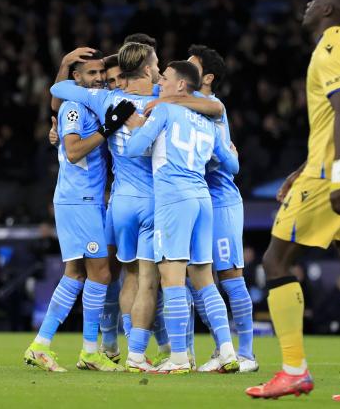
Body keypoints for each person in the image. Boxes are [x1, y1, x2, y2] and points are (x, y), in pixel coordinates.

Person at [245, 0, 340, 401]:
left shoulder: (328, 50)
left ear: (328, 10)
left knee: (275, 261)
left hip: (338, 174)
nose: (307, 6)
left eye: (313, 0)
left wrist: (336, 174)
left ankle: (293, 370)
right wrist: (301, 169)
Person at [50, 43, 225, 372]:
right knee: (149, 280)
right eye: (156, 64)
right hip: (155, 201)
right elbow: (215, 107)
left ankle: (121, 348)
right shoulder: (162, 99)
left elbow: (58, 89)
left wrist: (68, 66)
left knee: (124, 278)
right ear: (146, 69)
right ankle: (147, 352)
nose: (160, 70)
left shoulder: (106, 99)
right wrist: (170, 98)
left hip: (119, 202)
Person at [125, 60, 240, 374]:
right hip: (202, 198)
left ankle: (178, 357)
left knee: (171, 278)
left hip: (174, 198)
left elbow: (134, 148)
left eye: (165, 78)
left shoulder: (164, 111)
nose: (160, 82)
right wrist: (234, 153)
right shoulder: (206, 118)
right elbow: (232, 165)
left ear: (180, 85)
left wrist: (137, 126)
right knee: (204, 279)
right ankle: (228, 351)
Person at [24, 50, 132, 372]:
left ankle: (41, 344)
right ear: (77, 78)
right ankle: (88, 351)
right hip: (80, 200)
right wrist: (107, 131)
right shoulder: (76, 107)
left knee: (75, 273)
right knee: (100, 273)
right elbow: (72, 152)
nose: (98, 78)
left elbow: (55, 106)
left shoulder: (85, 105)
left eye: (101, 72)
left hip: (82, 200)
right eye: (91, 73)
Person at [185, 44, 258, 373]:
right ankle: (222, 348)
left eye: (191, 65)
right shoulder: (180, 102)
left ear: (208, 77)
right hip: (194, 199)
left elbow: (227, 163)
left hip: (221, 199)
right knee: (197, 277)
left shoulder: (212, 106)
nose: (183, 68)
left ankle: (247, 354)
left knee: (230, 276)